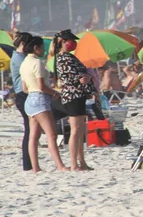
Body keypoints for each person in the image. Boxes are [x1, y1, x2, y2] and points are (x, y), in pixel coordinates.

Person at [20, 36, 68, 172]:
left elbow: (24, 88)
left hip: (29, 99)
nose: (44, 50)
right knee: (51, 135)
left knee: (33, 136)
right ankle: (60, 166)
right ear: (36, 48)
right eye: (42, 47)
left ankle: (35, 167)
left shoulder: (24, 63)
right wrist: (54, 92)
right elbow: (41, 86)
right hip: (40, 99)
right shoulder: (38, 63)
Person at [53, 29, 95, 171]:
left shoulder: (68, 57)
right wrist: (81, 79)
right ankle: (73, 163)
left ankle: (81, 162)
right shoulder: (63, 57)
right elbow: (66, 78)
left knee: (80, 130)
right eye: (71, 41)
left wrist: (86, 78)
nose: (74, 43)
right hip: (73, 96)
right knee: (76, 130)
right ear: (64, 42)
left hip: (78, 95)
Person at [10, 31, 33, 171]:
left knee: (31, 130)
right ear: (24, 44)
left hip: (23, 94)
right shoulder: (20, 58)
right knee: (29, 130)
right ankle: (27, 163)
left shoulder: (20, 57)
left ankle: (29, 163)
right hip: (23, 94)